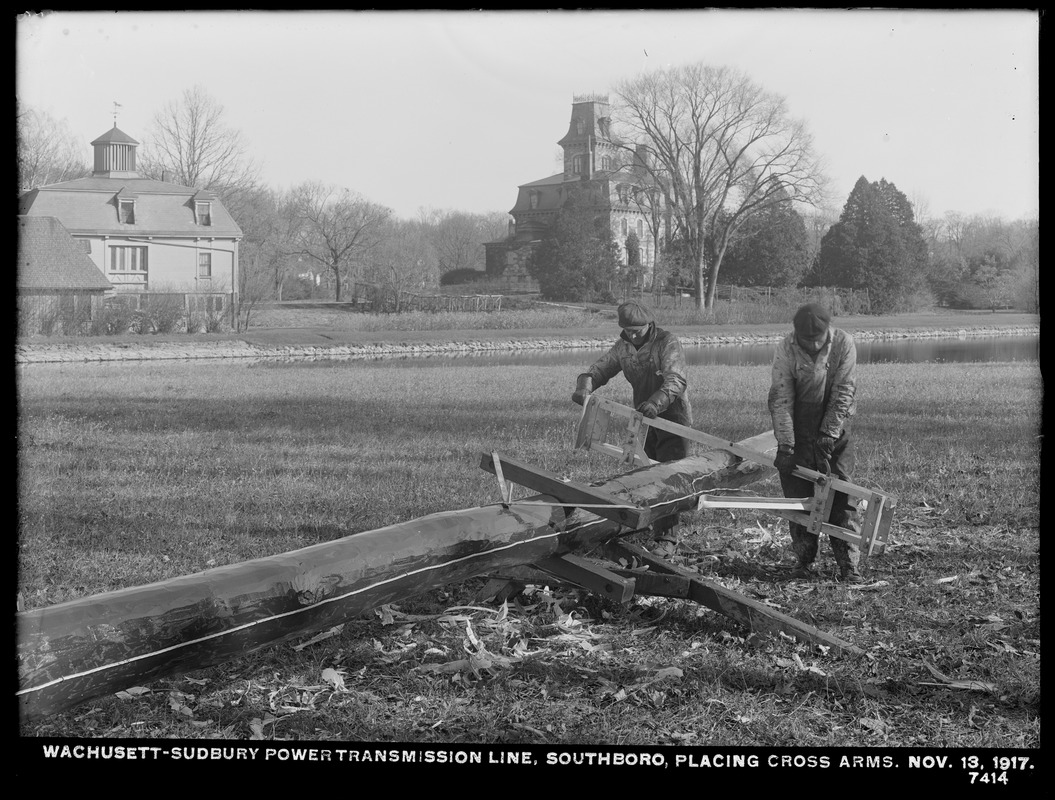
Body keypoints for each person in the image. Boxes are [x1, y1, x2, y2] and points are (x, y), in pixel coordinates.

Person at [572, 300, 692, 555]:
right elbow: (601, 369)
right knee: (647, 473)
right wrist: (585, 385)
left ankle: (667, 539)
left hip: (672, 416)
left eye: (637, 329)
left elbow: (676, 379)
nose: (633, 334)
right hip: (642, 417)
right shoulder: (623, 347)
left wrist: (657, 402)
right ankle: (648, 523)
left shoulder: (667, 342)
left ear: (649, 324)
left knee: (669, 476)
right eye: (628, 330)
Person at [768, 302, 863, 583]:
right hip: (798, 428)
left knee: (841, 497)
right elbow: (781, 397)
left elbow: (844, 391)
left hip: (836, 428)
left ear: (826, 331)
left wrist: (828, 434)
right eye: (805, 339)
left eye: (816, 339)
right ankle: (804, 560)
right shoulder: (786, 348)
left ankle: (849, 565)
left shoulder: (844, 344)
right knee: (799, 499)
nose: (811, 344)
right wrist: (786, 445)